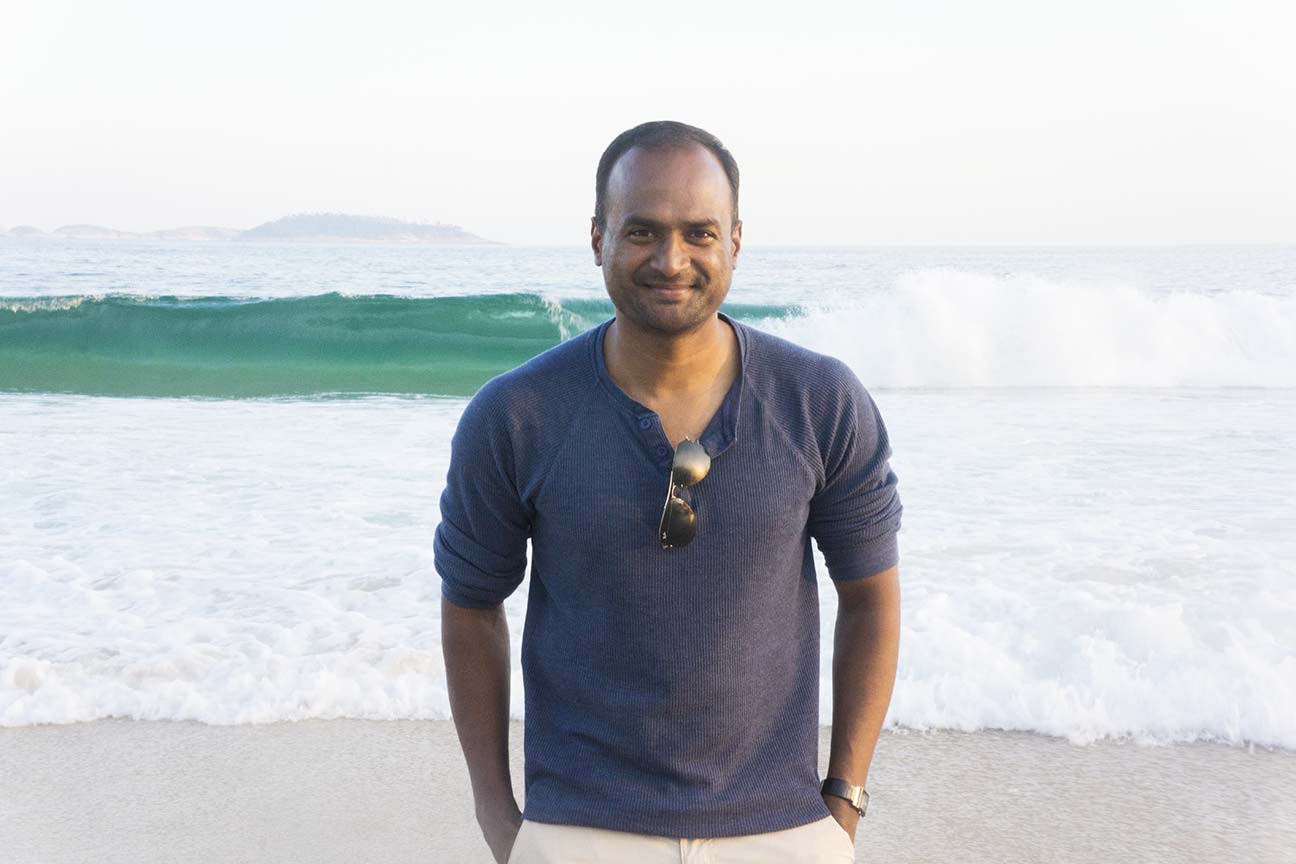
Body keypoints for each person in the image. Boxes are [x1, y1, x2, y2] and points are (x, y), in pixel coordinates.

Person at [436, 120, 903, 864]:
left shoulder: (820, 402)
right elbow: (469, 605)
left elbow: (872, 597)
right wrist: (500, 818)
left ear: (736, 242)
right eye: (642, 231)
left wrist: (842, 803)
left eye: (699, 233)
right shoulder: (517, 415)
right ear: (598, 238)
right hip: (579, 830)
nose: (671, 259)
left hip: (781, 829)